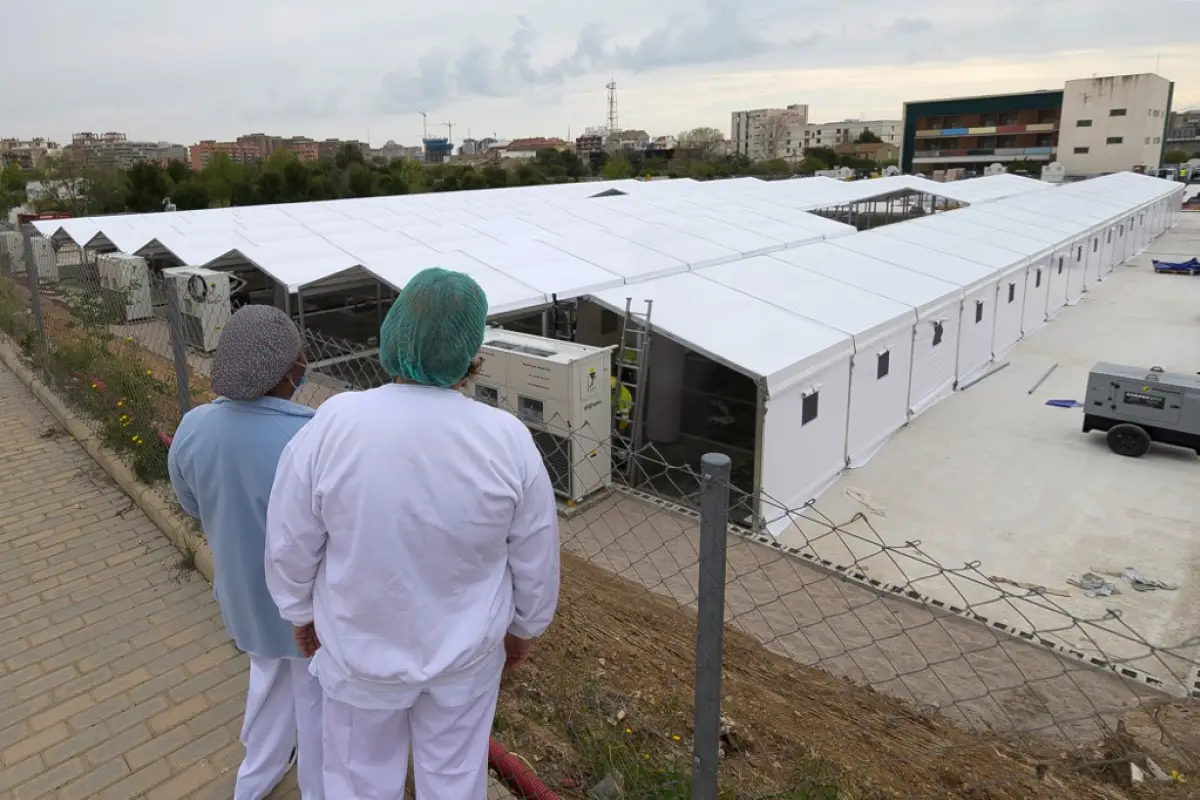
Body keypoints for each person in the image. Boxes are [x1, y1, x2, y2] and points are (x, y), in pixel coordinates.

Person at [265, 267, 561, 800]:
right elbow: (536, 557)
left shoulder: (334, 423)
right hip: (464, 664)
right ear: (472, 351)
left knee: (356, 780)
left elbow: (290, 541)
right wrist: (523, 628)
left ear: (393, 332)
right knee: (453, 780)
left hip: (358, 659)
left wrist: (300, 613)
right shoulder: (507, 440)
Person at [167, 304, 324, 800]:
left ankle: (255, 780)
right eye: (300, 358)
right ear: (287, 371)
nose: (303, 366)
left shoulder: (194, 427)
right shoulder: (313, 434)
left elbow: (191, 504)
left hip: (241, 596)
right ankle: (318, 786)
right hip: (310, 612)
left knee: (268, 685)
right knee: (316, 702)